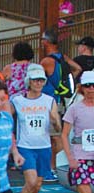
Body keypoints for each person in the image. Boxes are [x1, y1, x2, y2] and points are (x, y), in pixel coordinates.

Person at [11, 64, 62, 193]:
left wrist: (54, 120)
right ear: (29, 81)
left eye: (41, 80)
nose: (38, 83)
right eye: (35, 80)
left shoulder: (49, 100)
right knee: (31, 182)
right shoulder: (17, 101)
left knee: (37, 186)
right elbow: (6, 118)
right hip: (25, 147)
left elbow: (58, 128)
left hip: (44, 147)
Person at [60, 70, 94, 193]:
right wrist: (70, 157)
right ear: (82, 88)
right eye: (87, 86)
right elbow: (64, 134)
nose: (91, 89)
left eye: (93, 85)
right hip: (80, 158)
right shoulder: (75, 108)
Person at [40, 29, 81, 180]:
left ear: (47, 42)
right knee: (57, 135)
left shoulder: (46, 62)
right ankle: (58, 166)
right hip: (61, 99)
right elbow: (78, 68)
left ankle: (53, 167)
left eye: (43, 39)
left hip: (49, 101)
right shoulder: (63, 57)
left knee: (53, 137)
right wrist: (65, 84)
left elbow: (36, 78)